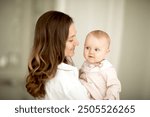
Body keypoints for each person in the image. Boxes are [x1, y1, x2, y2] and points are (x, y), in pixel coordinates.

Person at [26, 10, 89, 100]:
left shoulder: (43, 72)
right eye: (71, 40)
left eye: (75, 37)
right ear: (54, 44)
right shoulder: (66, 81)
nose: (77, 43)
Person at [79, 30, 121, 100]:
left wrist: (110, 98)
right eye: (87, 48)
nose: (91, 52)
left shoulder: (108, 69)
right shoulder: (85, 64)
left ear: (106, 52)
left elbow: (114, 85)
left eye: (96, 49)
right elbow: (81, 73)